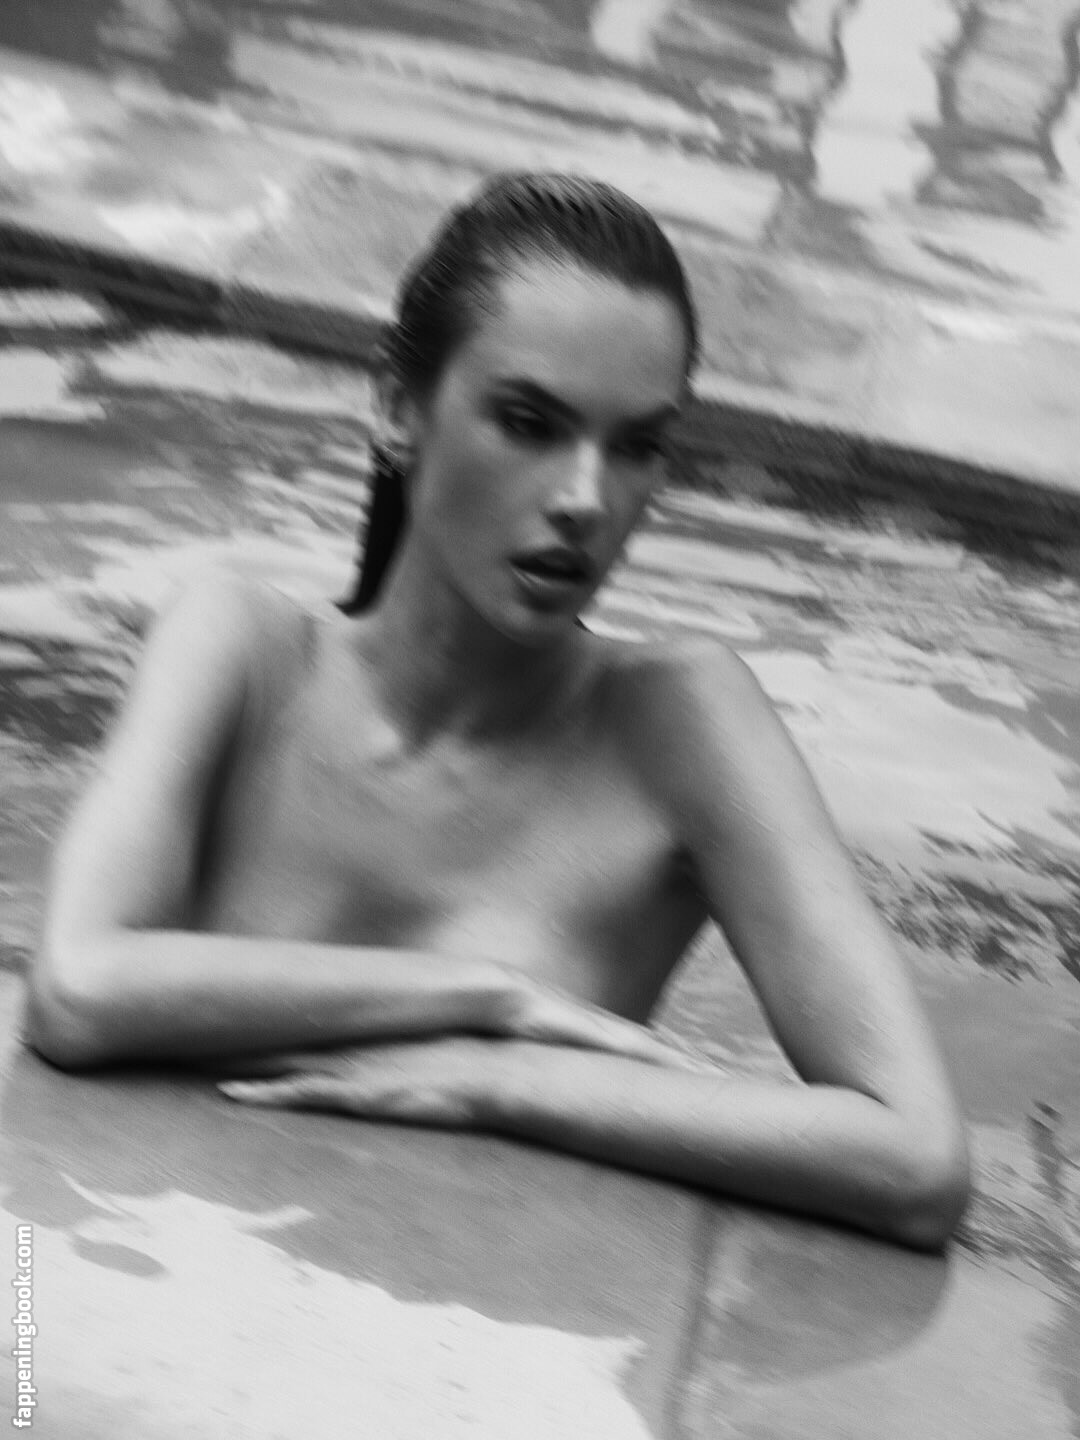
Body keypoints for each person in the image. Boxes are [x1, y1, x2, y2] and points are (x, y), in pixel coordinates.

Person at [26, 173, 970, 1249]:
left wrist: (500, 1082)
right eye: (530, 424)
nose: (585, 499)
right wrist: (488, 997)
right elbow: (81, 987)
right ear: (399, 407)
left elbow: (916, 1159)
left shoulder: (679, 723)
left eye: (637, 446)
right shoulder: (241, 649)